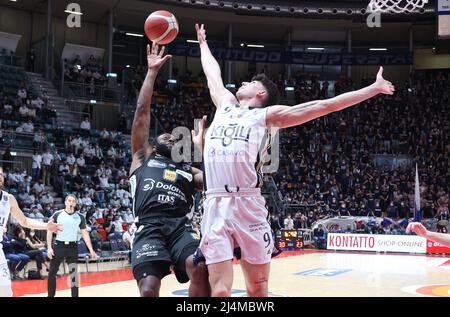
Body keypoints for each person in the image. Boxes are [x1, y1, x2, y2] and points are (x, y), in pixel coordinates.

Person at [195, 22, 395, 297]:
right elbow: (212, 73)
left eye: (251, 82)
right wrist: (203, 44)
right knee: (219, 292)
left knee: (258, 288)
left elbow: (324, 106)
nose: (243, 81)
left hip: (247, 204)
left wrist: (372, 89)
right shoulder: (225, 104)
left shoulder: (265, 117)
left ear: (261, 94)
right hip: (215, 202)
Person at [129, 43, 209, 297]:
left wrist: (203, 150)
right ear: (155, 143)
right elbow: (142, 114)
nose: (171, 138)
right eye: (166, 136)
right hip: (148, 227)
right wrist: (152, 72)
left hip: (179, 228)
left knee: (200, 266)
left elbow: (217, 181)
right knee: (149, 289)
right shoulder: (142, 157)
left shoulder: (188, 170)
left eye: (175, 139)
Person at [0, 166, 62, 297]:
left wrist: (46, 226)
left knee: (5, 290)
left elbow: (25, 221)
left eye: (1, 174)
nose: (0, 177)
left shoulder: (8, 199)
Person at [46, 194, 97, 297]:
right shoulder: (57, 214)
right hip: (59, 246)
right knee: (52, 273)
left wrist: (91, 250)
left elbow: (85, 234)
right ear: (65, 202)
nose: (71, 202)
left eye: (73, 201)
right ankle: (50, 295)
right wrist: (49, 248)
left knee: (74, 275)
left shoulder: (80, 217)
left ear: (75, 203)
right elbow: (49, 230)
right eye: (69, 200)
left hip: (72, 247)